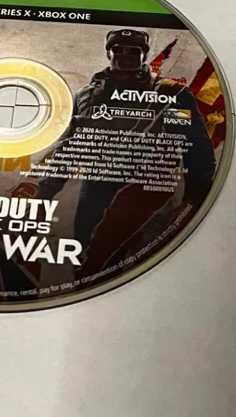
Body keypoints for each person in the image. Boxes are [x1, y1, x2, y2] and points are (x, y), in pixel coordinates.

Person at [38, 28, 216, 276]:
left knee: (136, 264)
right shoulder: (87, 95)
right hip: (96, 190)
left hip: (144, 191)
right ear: (108, 52)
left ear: (144, 55)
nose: (126, 55)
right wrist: (44, 194)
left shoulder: (168, 95)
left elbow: (194, 145)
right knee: (86, 264)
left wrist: (193, 199)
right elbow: (68, 146)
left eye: (134, 50)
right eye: (119, 49)